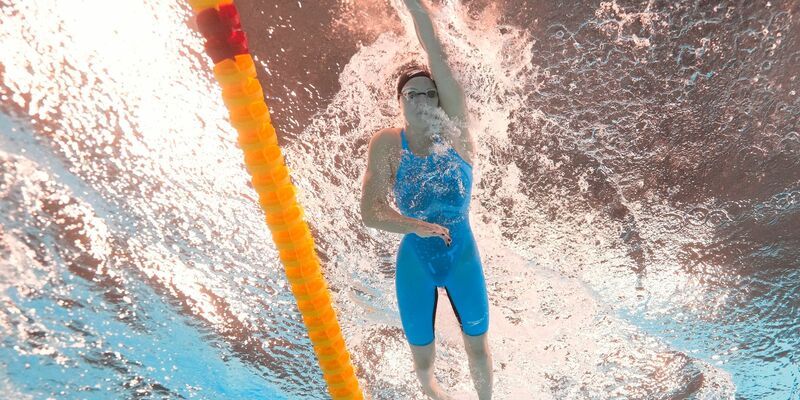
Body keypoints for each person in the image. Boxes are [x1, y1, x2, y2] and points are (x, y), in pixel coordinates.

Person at [359, 1, 492, 399]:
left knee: (478, 350)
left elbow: (436, 53)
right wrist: (417, 226)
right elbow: (371, 212)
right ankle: (435, 395)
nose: (421, 99)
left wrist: (417, 10)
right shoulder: (386, 145)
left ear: (439, 101)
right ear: (399, 102)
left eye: (430, 94)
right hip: (415, 258)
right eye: (412, 93)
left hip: (462, 254)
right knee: (422, 360)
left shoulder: (456, 133)